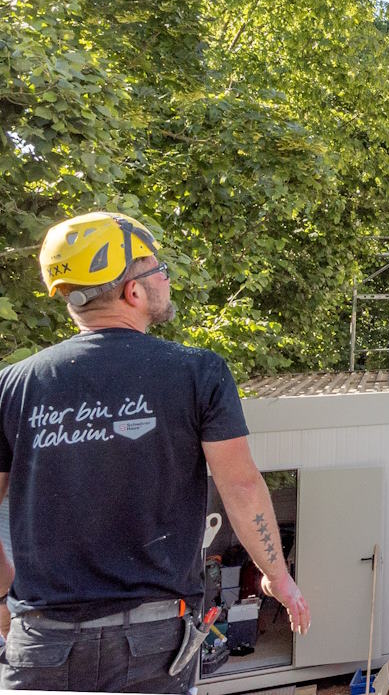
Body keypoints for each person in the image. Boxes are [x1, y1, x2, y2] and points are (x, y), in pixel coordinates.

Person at [0, 213, 311, 692]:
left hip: (40, 641)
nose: (166, 277)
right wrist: (279, 577)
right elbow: (241, 486)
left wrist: (4, 598)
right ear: (133, 291)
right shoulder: (195, 372)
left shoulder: (15, 385)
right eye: (157, 268)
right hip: (152, 642)